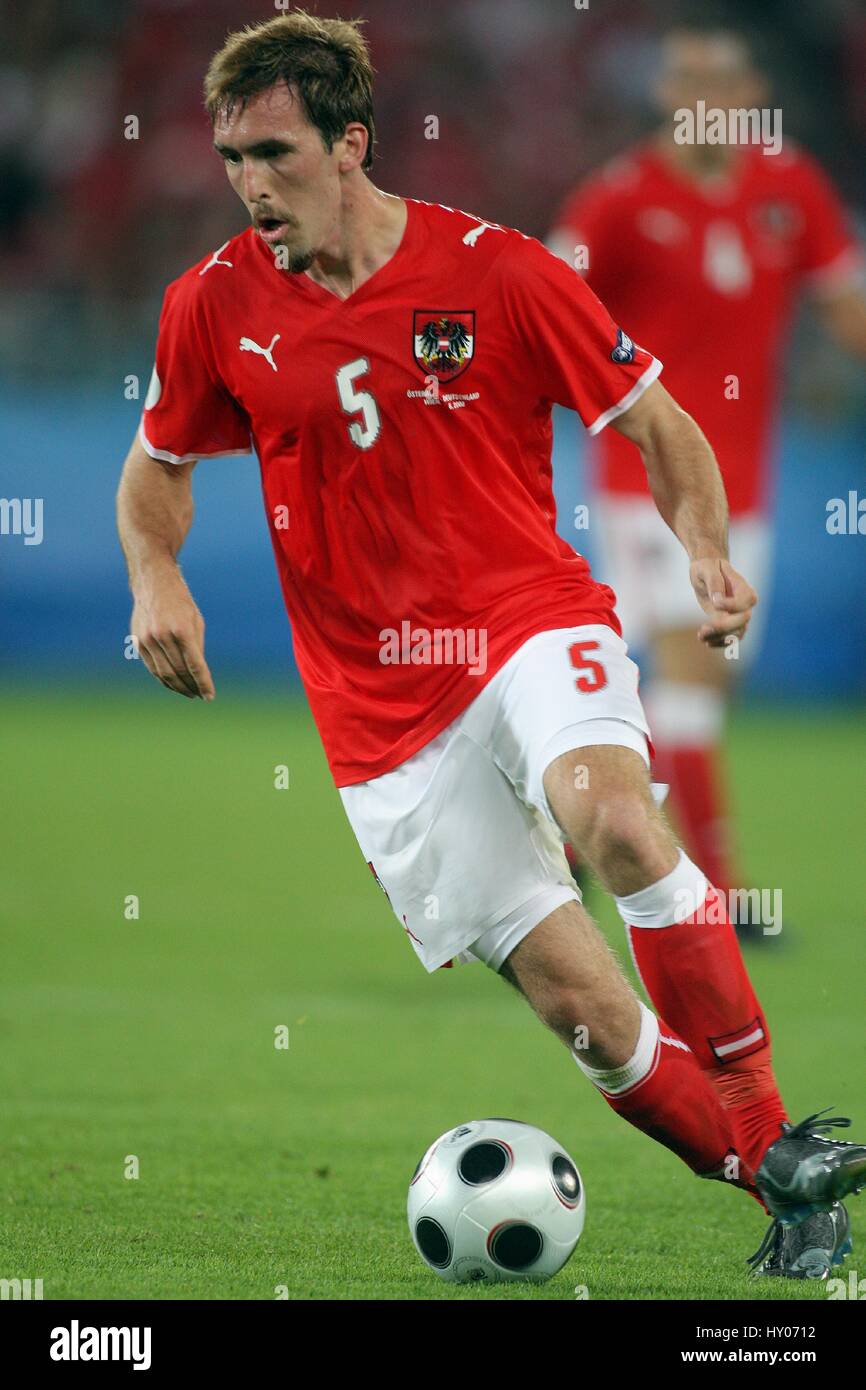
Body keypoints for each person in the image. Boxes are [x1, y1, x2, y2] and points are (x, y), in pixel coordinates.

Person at [116, 12, 865, 1281]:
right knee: (587, 1014)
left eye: (276, 153)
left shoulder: (500, 271)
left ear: (350, 141)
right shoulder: (214, 307)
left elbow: (659, 422)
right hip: (376, 718)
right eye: (231, 156)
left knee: (619, 822)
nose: (250, 185)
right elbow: (156, 470)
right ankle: (778, 1177)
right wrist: (154, 574)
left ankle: (754, 1105)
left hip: (524, 617)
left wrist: (700, 547)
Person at [548, 20, 866, 927]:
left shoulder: (789, 186)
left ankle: (573, 840)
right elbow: (542, 302)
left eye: (722, 82)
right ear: (664, 96)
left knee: (705, 677)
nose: (706, 101)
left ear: (749, 94)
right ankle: (715, 894)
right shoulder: (616, 201)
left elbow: (846, 311)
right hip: (643, 476)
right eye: (687, 81)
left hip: (745, 489)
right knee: (690, 662)